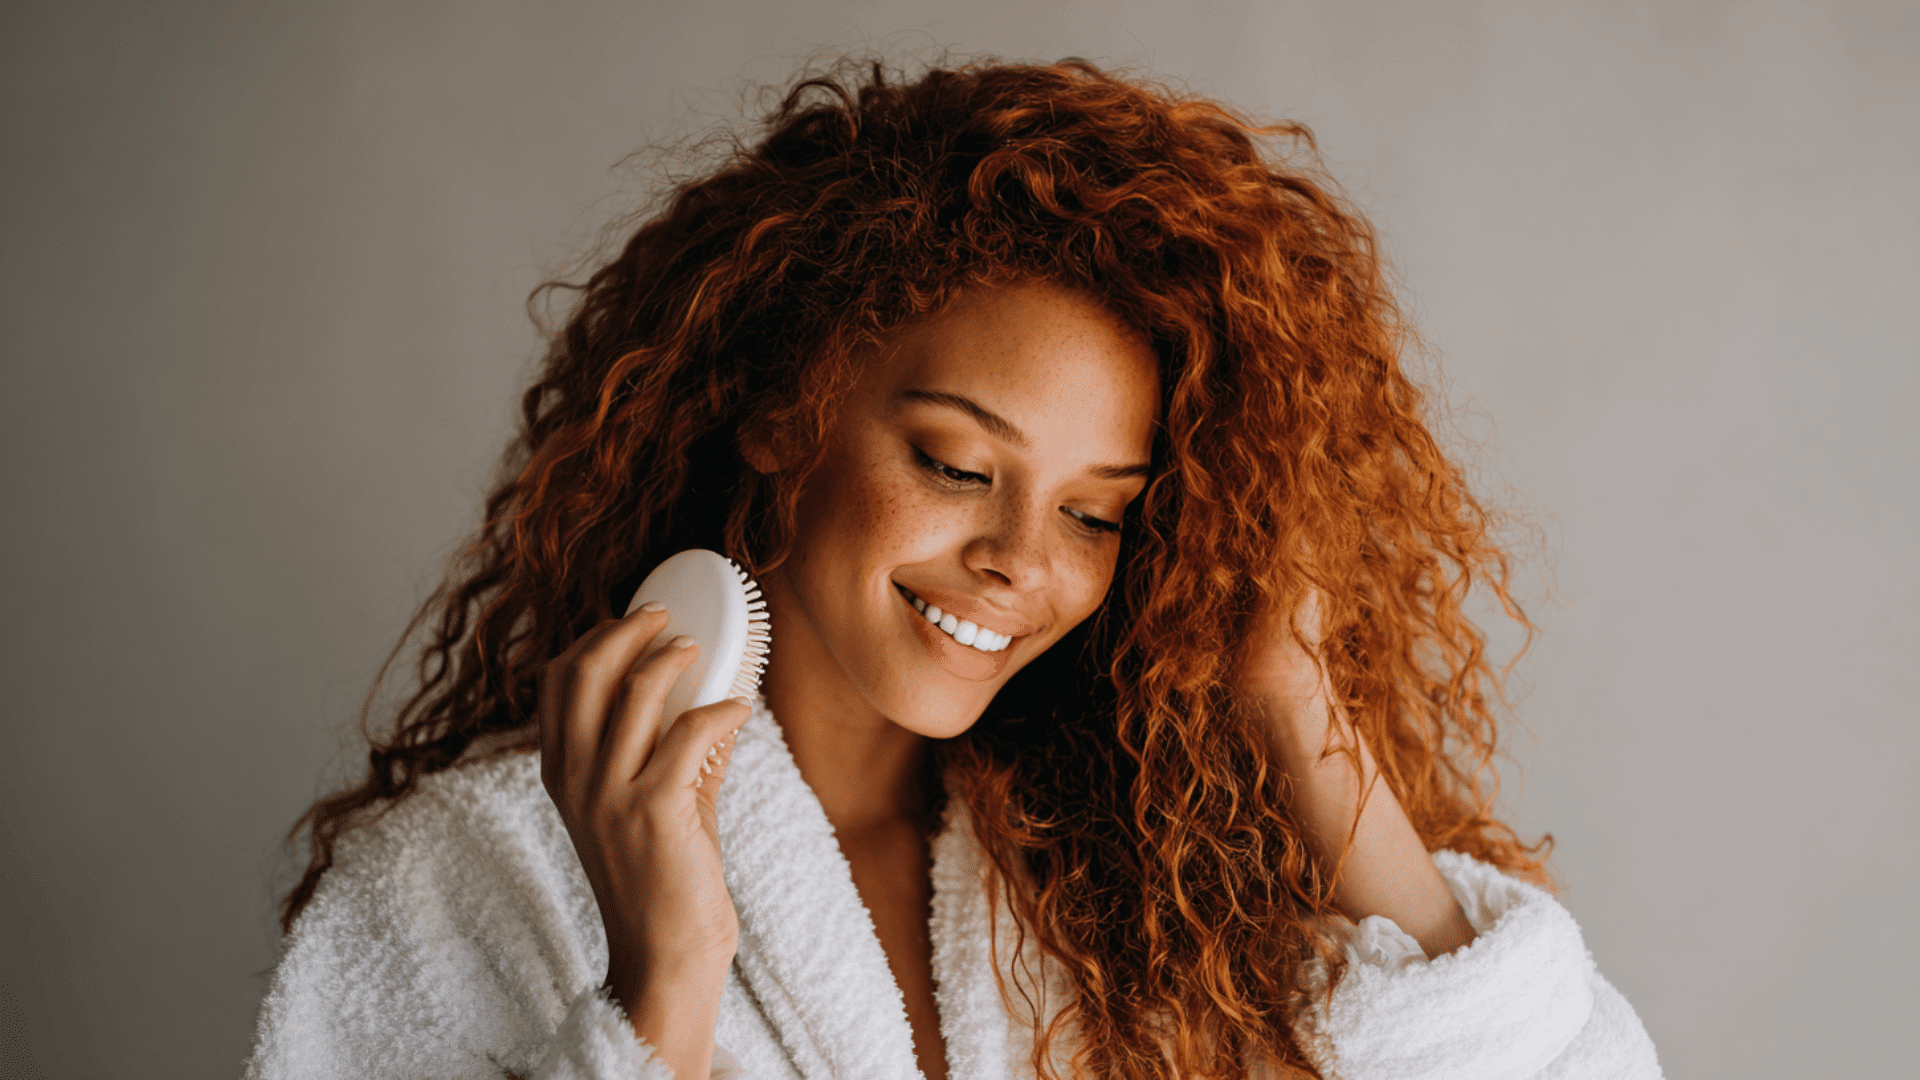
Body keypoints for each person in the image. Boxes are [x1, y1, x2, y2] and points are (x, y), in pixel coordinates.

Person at [243, 57, 1663, 1080]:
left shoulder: (1147, 876)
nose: (1017, 563)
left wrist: (1296, 703)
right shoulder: (460, 883)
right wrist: (658, 991)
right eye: (958, 467)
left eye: (1099, 515)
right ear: (777, 409)